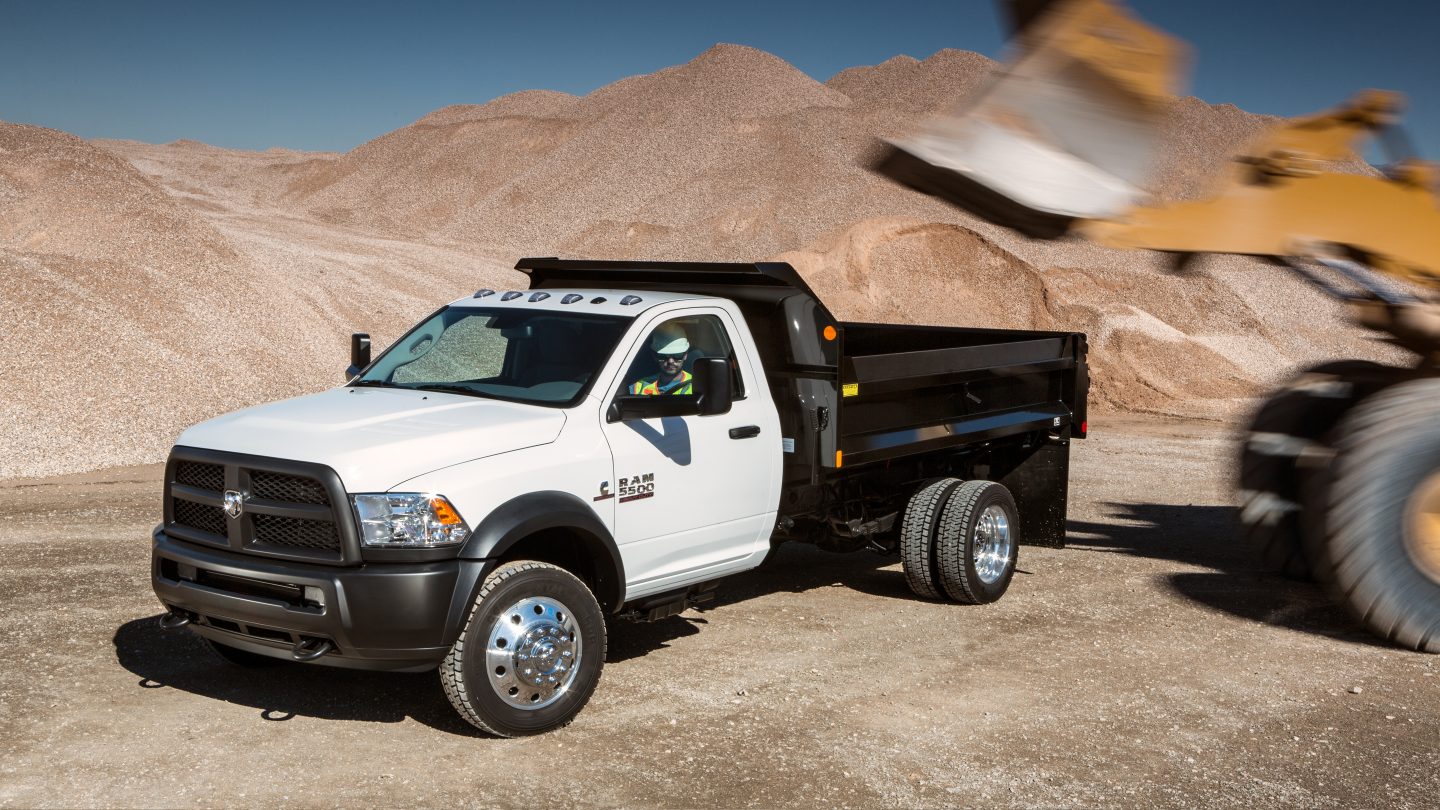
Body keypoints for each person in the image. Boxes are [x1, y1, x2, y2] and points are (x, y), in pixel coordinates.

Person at [629, 324, 693, 395]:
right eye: (663, 356)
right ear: (655, 356)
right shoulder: (639, 387)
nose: (670, 361)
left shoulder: (696, 386)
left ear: (685, 355)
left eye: (677, 355)